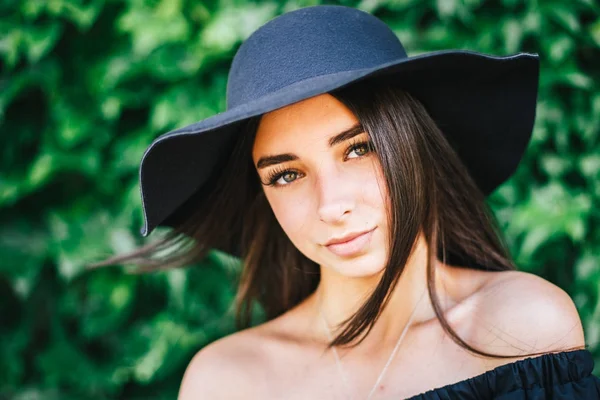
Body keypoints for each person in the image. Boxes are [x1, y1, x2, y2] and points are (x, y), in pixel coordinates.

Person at [104, 5, 600, 399]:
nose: (330, 204)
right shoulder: (225, 382)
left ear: (416, 148)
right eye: (287, 174)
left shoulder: (520, 330)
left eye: (359, 149)